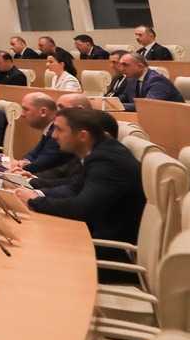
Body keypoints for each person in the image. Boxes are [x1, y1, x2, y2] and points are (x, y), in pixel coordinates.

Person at [19, 109, 147, 275]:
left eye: (59, 129)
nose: (53, 136)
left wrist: (34, 201)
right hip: (94, 240)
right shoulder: (101, 152)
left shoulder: (108, 161)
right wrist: (33, 191)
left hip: (107, 255)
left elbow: (82, 208)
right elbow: (73, 187)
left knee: (28, 252)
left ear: (83, 136)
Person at [108, 52, 182, 110]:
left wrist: (115, 106)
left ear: (140, 66)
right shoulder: (131, 79)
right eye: (121, 65)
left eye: (125, 65)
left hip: (173, 119)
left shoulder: (157, 80)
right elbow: (124, 98)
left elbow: (147, 106)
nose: (122, 69)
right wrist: (106, 103)